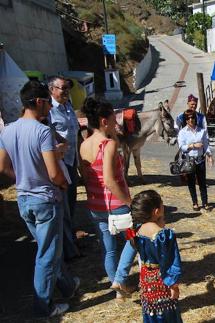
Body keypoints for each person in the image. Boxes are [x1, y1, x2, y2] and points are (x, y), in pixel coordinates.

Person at [0, 80, 79, 317]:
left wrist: (23, 178)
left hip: (24, 199)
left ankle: (66, 285)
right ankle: (42, 307)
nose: (49, 108)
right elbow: (54, 172)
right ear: (38, 102)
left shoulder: (8, 130)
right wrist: (63, 184)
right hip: (46, 199)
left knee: (48, 248)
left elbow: (3, 167)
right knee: (46, 255)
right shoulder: (43, 132)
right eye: (47, 102)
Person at [79, 97, 137, 298]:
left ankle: (118, 290)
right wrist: (130, 203)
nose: (116, 122)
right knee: (134, 239)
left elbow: (86, 177)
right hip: (117, 204)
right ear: (104, 121)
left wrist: (114, 134)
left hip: (96, 206)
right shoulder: (108, 144)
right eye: (114, 119)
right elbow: (110, 181)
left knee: (109, 249)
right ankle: (120, 280)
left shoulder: (84, 145)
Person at [130, 190, 183, 322]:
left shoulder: (137, 229)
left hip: (146, 280)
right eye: (162, 204)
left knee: (152, 312)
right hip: (161, 281)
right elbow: (171, 263)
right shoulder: (163, 235)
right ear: (156, 211)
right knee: (167, 313)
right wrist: (173, 285)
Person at [47, 76, 82, 260]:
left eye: (67, 88)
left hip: (72, 160)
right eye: (62, 88)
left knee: (72, 200)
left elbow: (75, 133)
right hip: (60, 163)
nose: (66, 91)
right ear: (52, 89)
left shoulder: (68, 106)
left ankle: (71, 237)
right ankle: (68, 246)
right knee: (64, 204)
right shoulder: (49, 110)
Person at [177, 110, 214, 210]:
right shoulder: (182, 132)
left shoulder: (201, 131)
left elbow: (206, 145)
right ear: (185, 120)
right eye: (188, 118)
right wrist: (193, 145)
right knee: (191, 183)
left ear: (195, 118)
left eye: (192, 117)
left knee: (202, 182)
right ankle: (195, 202)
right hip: (189, 161)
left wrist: (209, 155)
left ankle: (205, 202)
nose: (190, 120)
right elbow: (181, 147)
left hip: (200, 160)